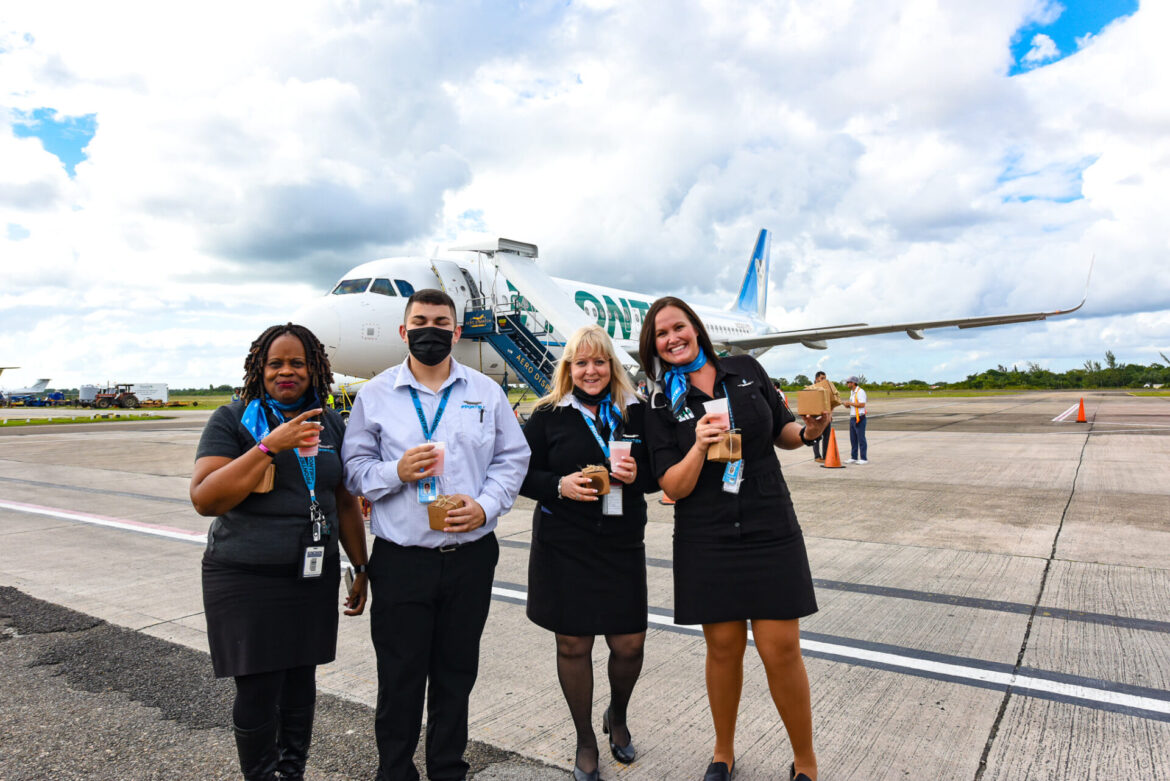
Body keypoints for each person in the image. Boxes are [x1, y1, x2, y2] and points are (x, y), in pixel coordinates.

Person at [341, 289, 530, 781]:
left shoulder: (485, 392)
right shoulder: (375, 394)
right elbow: (354, 470)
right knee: (399, 678)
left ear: (456, 331)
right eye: (421, 322)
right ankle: (395, 772)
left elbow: (513, 458)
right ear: (404, 331)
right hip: (403, 560)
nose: (431, 330)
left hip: (470, 557)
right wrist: (396, 471)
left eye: (441, 322)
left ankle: (448, 769)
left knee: (456, 675)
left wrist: (486, 505)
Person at [639, 297, 830, 781]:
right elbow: (672, 485)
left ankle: (805, 761)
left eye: (679, 327)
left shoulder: (745, 370)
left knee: (780, 649)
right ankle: (723, 752)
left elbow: (783, 431)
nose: (672, 338)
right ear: (653, 345)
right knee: (723, 649)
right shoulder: (658, 403)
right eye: (661, 334)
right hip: (707, 534)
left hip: (769, 523)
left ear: (696, 329)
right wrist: (699, 447)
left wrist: (810, 431)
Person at [191, 323, 369, 781]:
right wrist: (269, 446)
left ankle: (292, 773)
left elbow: (344, 501)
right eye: (275, 363)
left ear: (314, 370)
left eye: (297, 363)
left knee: (299, 683)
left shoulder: (330, 422)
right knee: (259, 686)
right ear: (260, 368)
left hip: (310, 576)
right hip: (246, 576)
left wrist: (360, 565)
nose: (286, 372)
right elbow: (205, 499)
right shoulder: (233, 419)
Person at [519, 325, 656, 781]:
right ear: (569, 368)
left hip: (620, 542)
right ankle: (585, 739)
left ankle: (617, 714)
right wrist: (558, 485)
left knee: (629, 644)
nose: (590, 371)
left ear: (612, 366)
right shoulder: (547, 415)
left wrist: (638, 476)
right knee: (573, 644)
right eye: (581, 363)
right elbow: (520, 474)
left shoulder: (635, 412)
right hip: (565, 544)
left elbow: (659, 472)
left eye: (599, 362)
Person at [809, 372, 835, 463]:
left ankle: (826, 456)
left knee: (827, 437)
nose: (824, 380)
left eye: (825, 378)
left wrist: (830, 415)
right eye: (822, 378)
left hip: (826, 417)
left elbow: (832, 403)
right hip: (816, 417)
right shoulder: (811, 389)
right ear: (816, 379)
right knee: (816, 437)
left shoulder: (826, 389)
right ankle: (817, 456)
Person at [842, 376, 868, 464]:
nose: (847, 384)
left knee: (861, 439)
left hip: (859, 417)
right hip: (853, 417)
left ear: (853, 383)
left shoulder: (860, 392)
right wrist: (847, 405)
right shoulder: (852, 392)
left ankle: (864, 458)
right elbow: (854, 405)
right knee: (853, 439)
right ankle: (854, 457)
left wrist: (850, 403)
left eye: (848, 382)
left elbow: (862, 404)